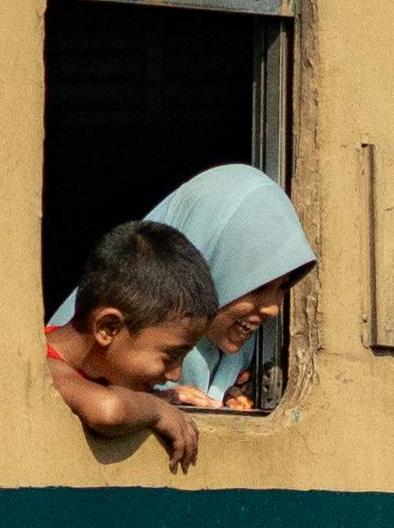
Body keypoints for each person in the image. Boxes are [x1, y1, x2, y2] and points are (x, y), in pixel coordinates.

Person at [52, 165, 316, 412]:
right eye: (257, 286)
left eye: (282, 288)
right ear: (208, 261)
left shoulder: (246, 361)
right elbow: (106, 410)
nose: (274, 308)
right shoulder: (82, 358)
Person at [43, 220, 217, 473]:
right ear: (108, 328)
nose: (175, 375)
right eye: (170, 356)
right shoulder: (43, 363)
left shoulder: (100, 373)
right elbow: (107, 410)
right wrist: (157, 410)